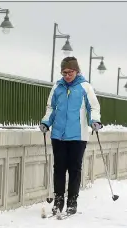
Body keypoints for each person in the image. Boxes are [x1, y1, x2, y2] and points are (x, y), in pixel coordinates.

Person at [39, 56, 102, 215]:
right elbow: (51, 108)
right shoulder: (57, 87)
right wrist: (46, 122)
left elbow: (93, 107)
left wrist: (95, 120)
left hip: (78, 136)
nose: (67, 75)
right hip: (58, 135)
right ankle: (58, 199)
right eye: (64, 72)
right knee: (59, 168)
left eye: (70, 72)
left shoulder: (84, 87)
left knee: (74, 168)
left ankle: (72, 200)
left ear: (77, 71)